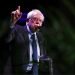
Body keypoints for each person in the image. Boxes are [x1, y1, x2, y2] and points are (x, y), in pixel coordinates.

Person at [6, 6, 46, 75]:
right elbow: (6, 40)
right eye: (35, 19)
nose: (38, 22)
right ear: (27, 21)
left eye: (40, 21)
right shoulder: (17, 30)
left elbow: (41, 55)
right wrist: (12, 23)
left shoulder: (40, 36)